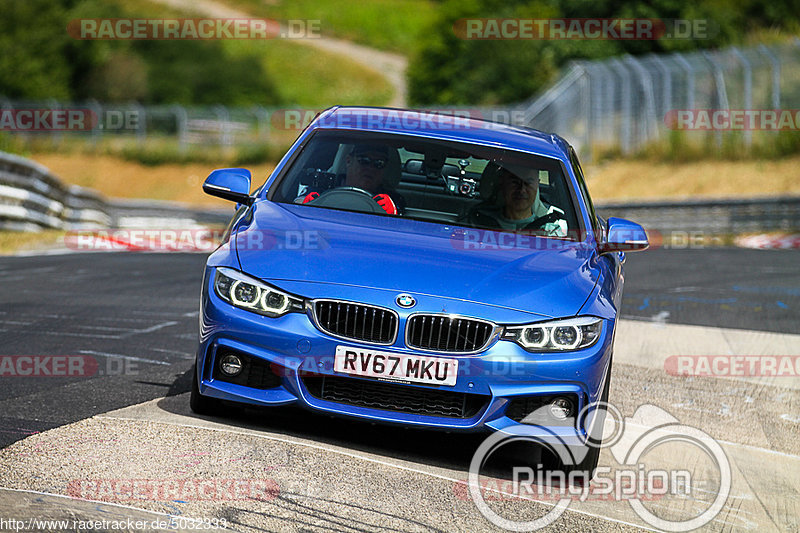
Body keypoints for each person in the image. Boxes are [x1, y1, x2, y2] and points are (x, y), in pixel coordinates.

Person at [301, 143, 404, 214]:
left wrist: (394, 211)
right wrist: (303, 203)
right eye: (364, 160)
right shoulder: (322, 188)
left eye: (379, 163)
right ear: (348, 161)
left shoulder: (392, 200)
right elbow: (293, 209)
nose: (370, 168)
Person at [467, 164, 567, 236]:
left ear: (537, 185)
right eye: (515, 182)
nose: (522, 190)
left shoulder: (552, 229)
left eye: (528, 183)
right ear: (502, 183)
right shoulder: (476, 223)